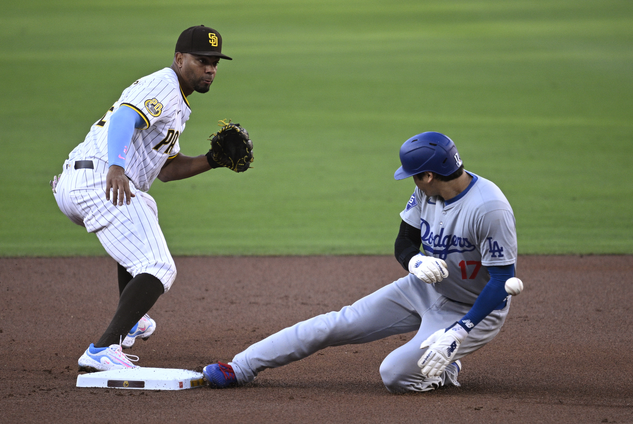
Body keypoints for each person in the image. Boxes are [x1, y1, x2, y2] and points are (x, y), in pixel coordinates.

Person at [202, 131, 518, 393]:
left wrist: (458, 333)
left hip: (474, 309)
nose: (411, 181)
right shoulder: (426, 192)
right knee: (338, 323)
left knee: (395, 375)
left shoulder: (489, 209)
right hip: (426, 288)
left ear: (429, 175)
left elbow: (501, 284)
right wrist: (414, 262)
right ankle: (240, 367)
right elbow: (404, 241)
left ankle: (444, 369)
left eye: (413, 175)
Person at [51, 25, 242, 372]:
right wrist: (116, 167)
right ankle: (102, 349)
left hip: (84, 181)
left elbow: (167, 170)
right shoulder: (164, 85)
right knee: (159, 266)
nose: (210, 69)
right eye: (202, 61)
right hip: (100, 178)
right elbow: (125, 117)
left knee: (145, 209)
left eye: (215, 63)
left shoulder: (178, 105)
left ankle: (131, 321)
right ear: (179, 59)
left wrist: (213, 161)